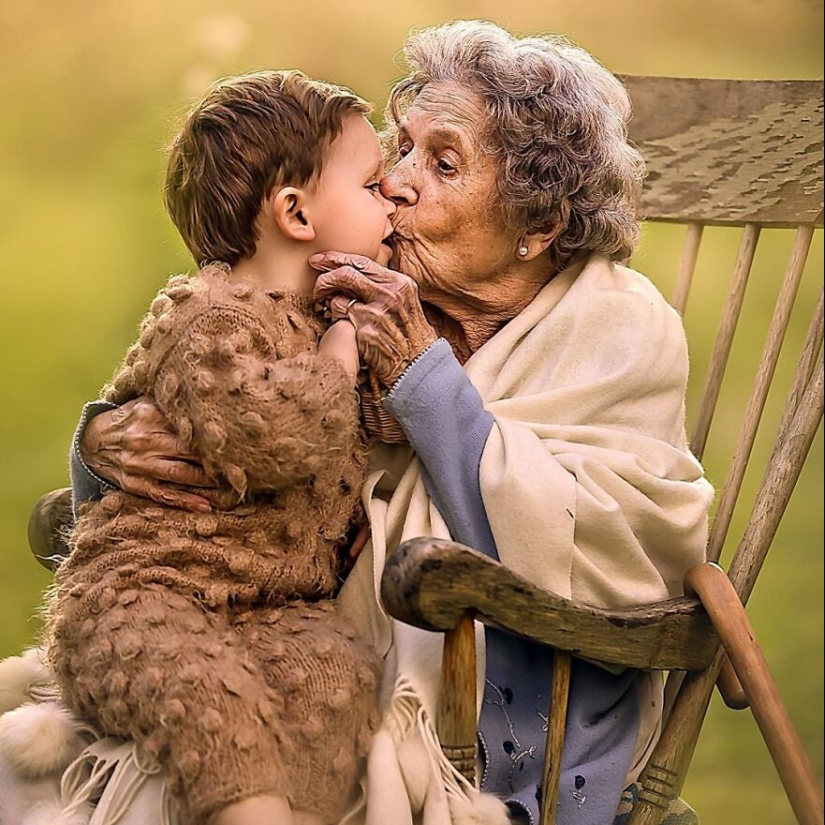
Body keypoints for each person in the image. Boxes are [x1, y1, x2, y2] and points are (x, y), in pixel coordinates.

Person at [2, 20, 713, 825]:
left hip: (478, 739)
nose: (398, 182)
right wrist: (104, 446)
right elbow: (224, 422)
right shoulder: (340, 303)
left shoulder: (616, 326)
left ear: (536, 226)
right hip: (276, 661)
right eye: (399, 149)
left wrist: (423, 381)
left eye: (442, 163)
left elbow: (609, 538)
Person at [11, 69, 397, 825]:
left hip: (270, 603)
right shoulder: (211, 317)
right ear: (294, 212)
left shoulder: (318, 313)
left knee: (333, 683)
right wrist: (342, 351)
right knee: (218, 715)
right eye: (376, 183)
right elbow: (279, 437)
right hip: (145, 595)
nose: (393, 199)